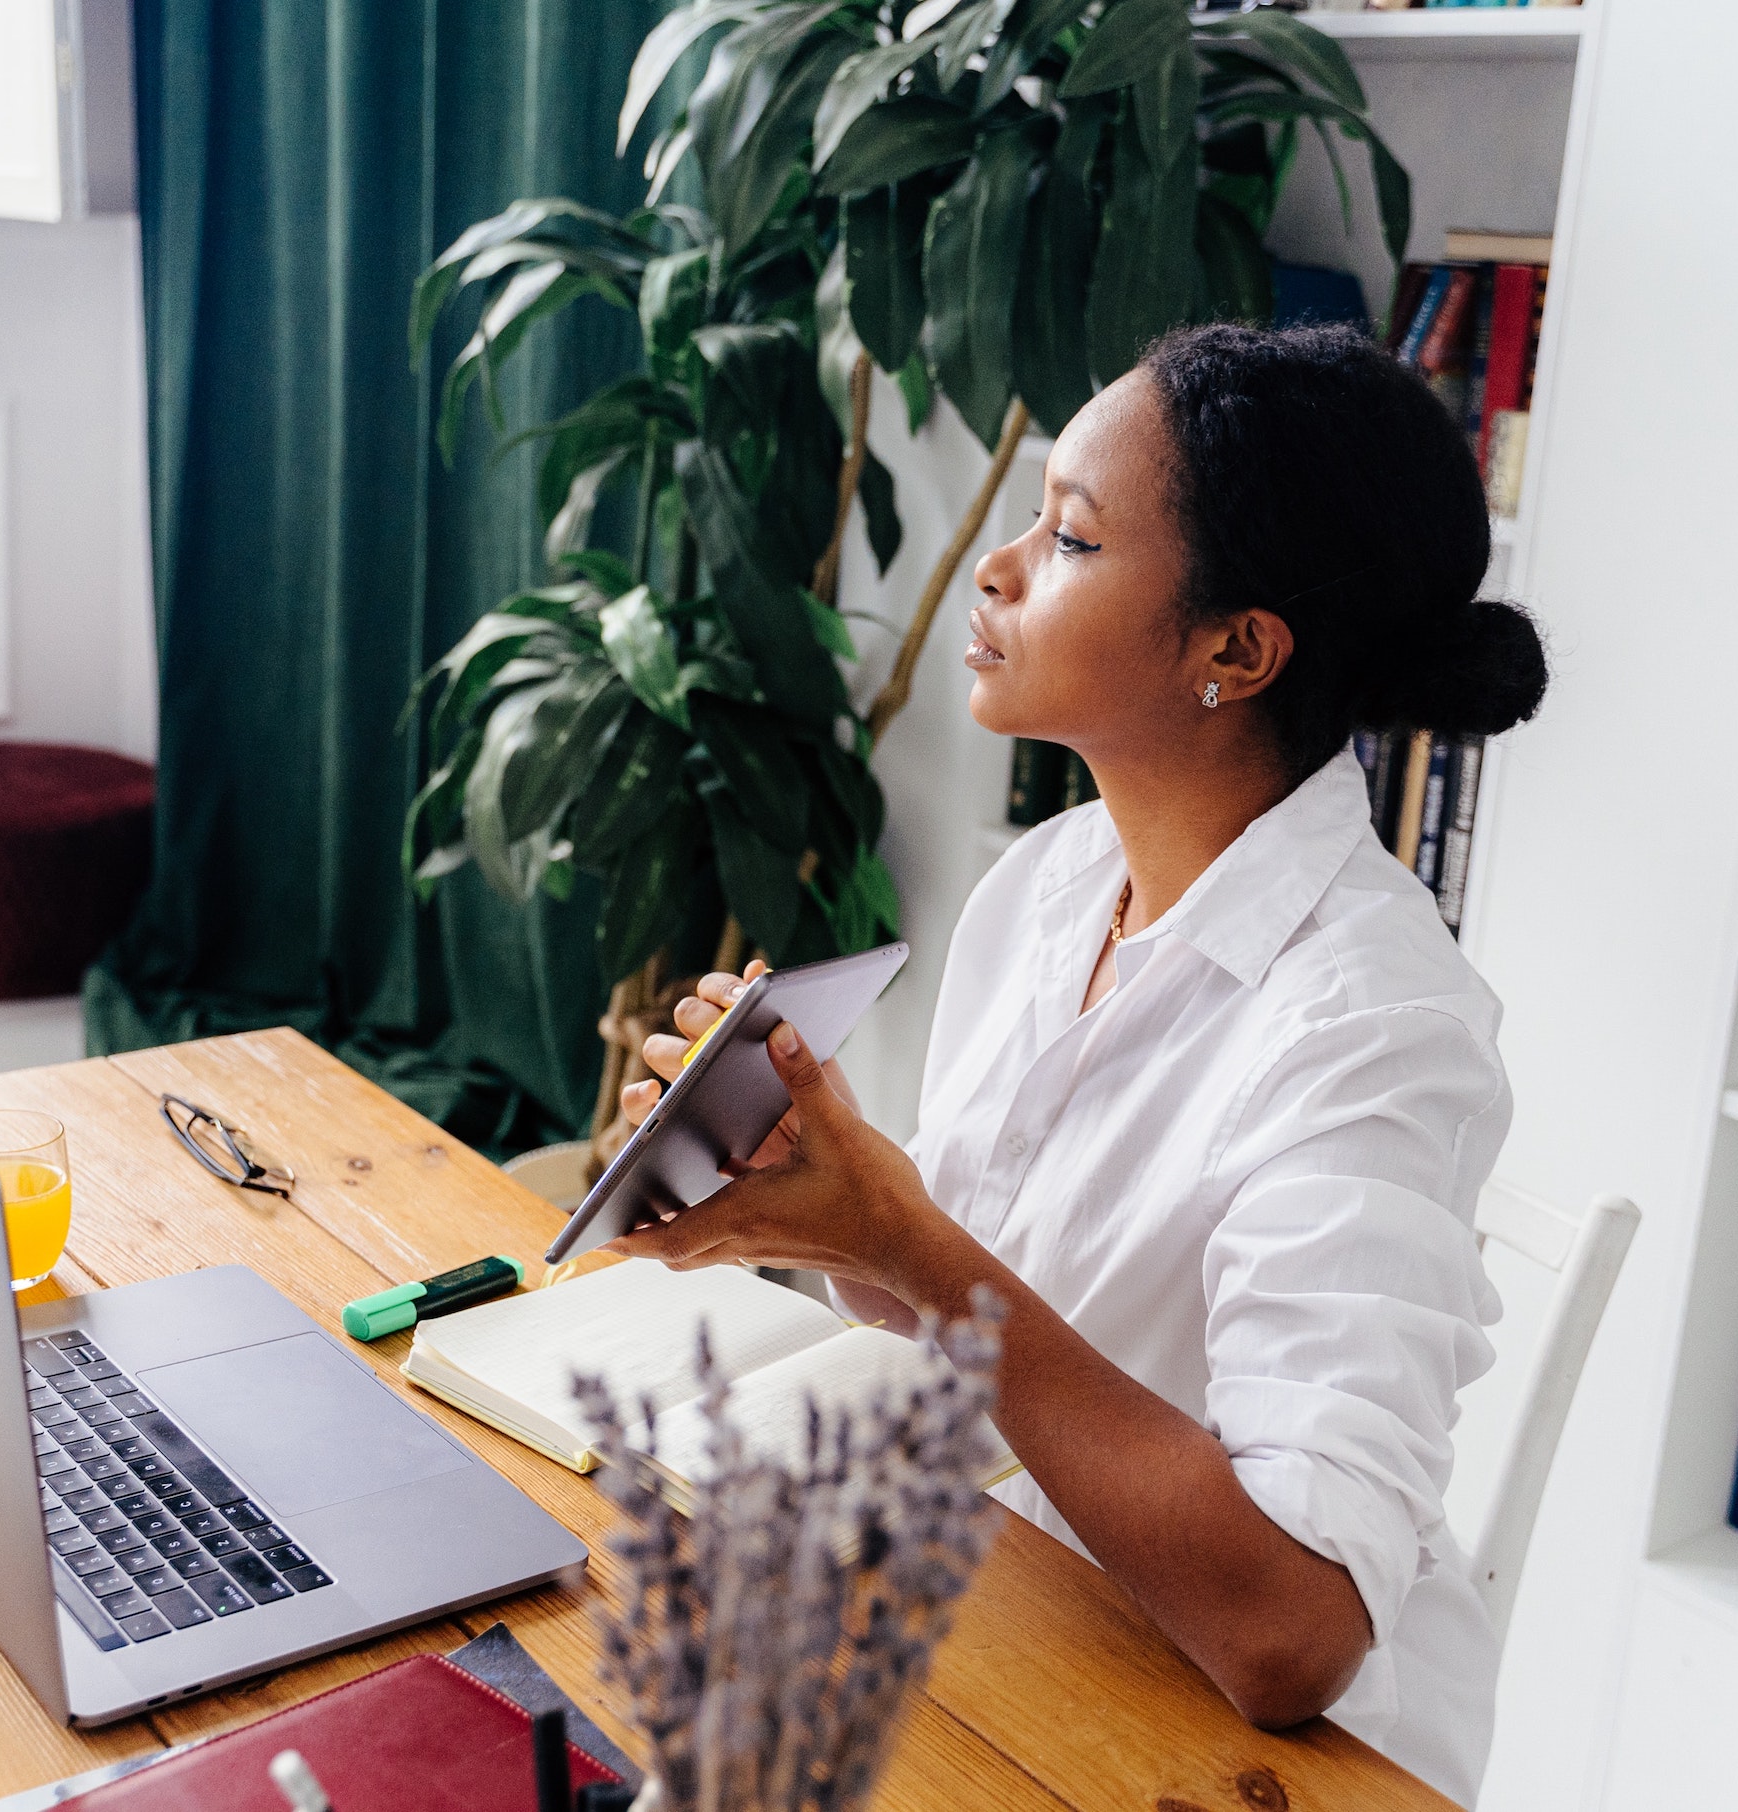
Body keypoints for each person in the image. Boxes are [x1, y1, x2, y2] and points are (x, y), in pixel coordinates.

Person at [608, 322, 1549, 1806]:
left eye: (1073, 537)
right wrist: (830, 1202)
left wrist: (907, 1240)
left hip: (1243, 1745)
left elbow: (1295, 1633)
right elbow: (975, 1319)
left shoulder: (1373, 1029)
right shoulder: (1054, 883)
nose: (999, 566)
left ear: (1235, 650)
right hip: (1017, 1598)